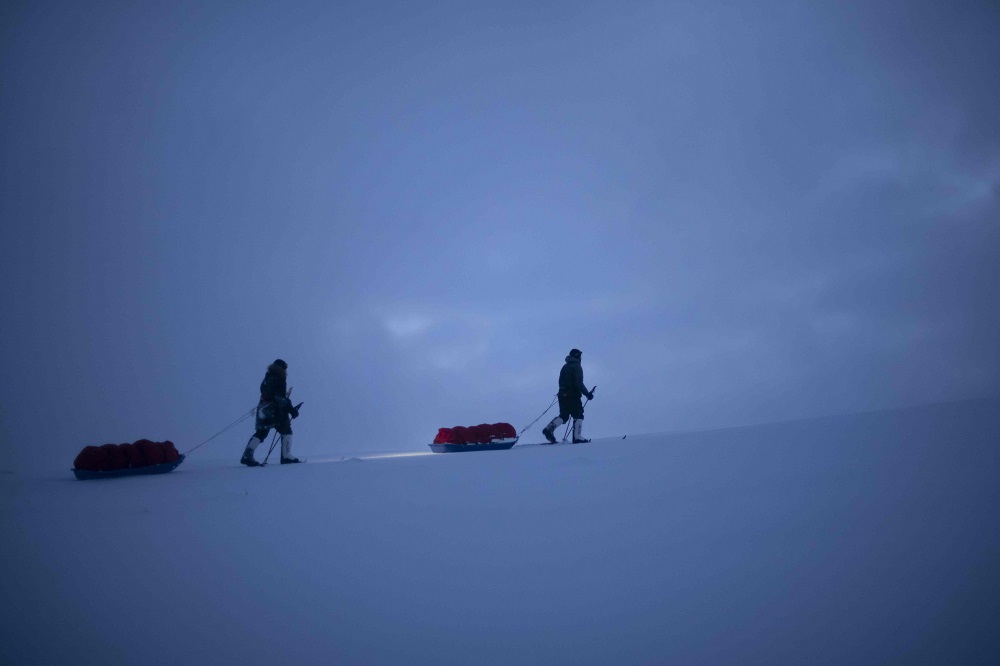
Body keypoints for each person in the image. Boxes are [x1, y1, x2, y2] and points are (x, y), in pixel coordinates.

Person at [241, 359, 302, 466]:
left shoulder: (267, 377)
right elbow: (279, 397)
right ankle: (286, 457)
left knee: (261, 432)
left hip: (262, 409)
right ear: (282, 367)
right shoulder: (280, 378)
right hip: (274, 411)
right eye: (285, 367)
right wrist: (291, 410)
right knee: (286, 431)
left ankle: (247, 455)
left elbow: (267, 393)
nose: (286, 370)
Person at [542, 348, 595, 444]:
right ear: (577, 356)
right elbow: (578, 383)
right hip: (573, 395)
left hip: (562, 394)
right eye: (580, 355)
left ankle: (548, 429)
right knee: (578, 414)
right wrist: (587, 394)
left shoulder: (565, 366)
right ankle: (577, 437)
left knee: (564, 416)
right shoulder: (577, 366)